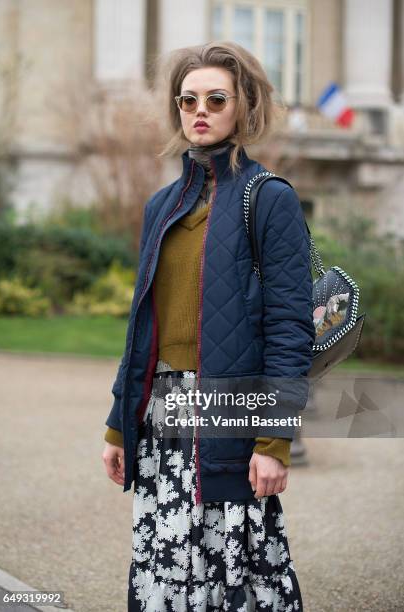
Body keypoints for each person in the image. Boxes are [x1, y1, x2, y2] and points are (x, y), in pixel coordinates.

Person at [102, 41, 315, 611]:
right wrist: (119, 425)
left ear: (243, 107)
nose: (199, 110)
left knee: (233, 570)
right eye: (187, 99)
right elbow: (140, 326)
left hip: (228, 413)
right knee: (165, 570)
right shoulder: (162, 206)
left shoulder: (267, 199)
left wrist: (274, 440)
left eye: (215, 99)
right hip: (160, 416)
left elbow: (292, 328)